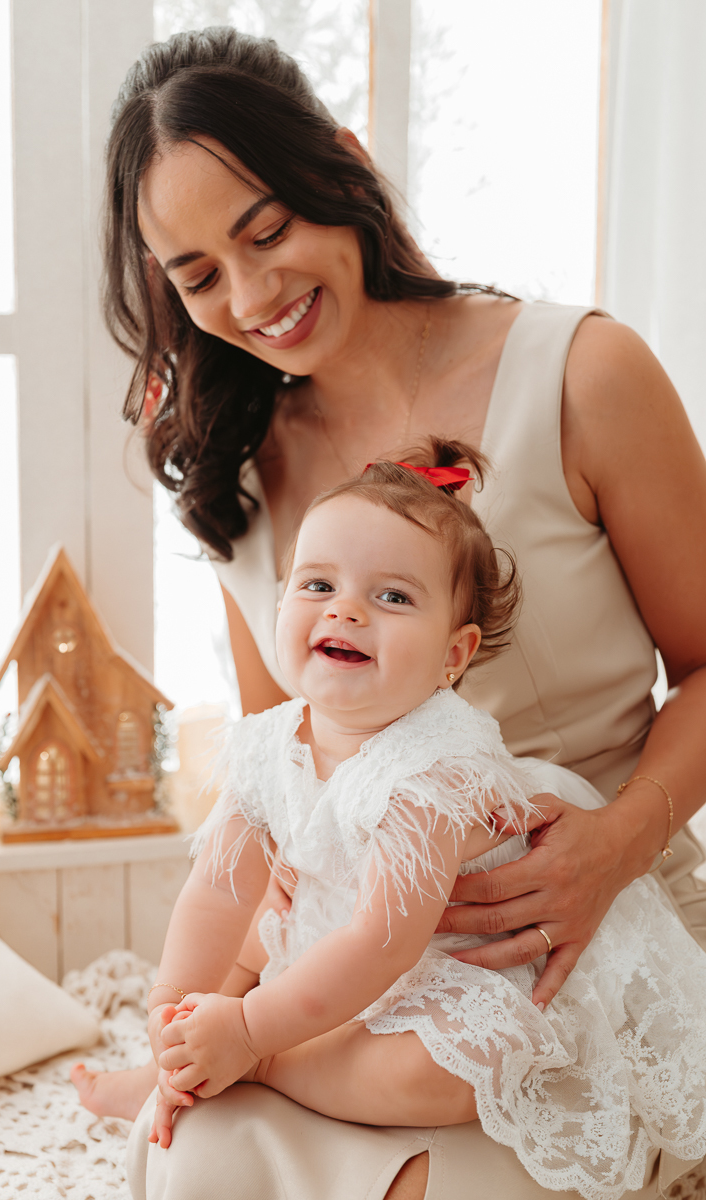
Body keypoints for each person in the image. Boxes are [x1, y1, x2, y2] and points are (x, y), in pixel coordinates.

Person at [84, 24, 706, 1200]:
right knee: (197, 1155)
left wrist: (614, 846)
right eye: (199, 276)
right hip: (355, 965)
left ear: (347, 168)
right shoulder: (239, 478)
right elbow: (285, 772)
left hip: (580, 945)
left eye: (268, 230)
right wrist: (238, 993)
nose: (251, 295)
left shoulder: (581, 373)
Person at [137, 445, 706, 1200]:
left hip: (467, 961)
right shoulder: (267, 742)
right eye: (318, 584)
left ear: (452, 655)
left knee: (456, 1070)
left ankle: (269, 1065)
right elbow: (217, 890)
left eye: (393, 597)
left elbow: (382, 942)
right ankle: (174, 1064)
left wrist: (249, 1036)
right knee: (248, 945)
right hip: (347, 952)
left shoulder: (433, 768)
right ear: (280, 606)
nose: (344, 610)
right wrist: (168, 1011)